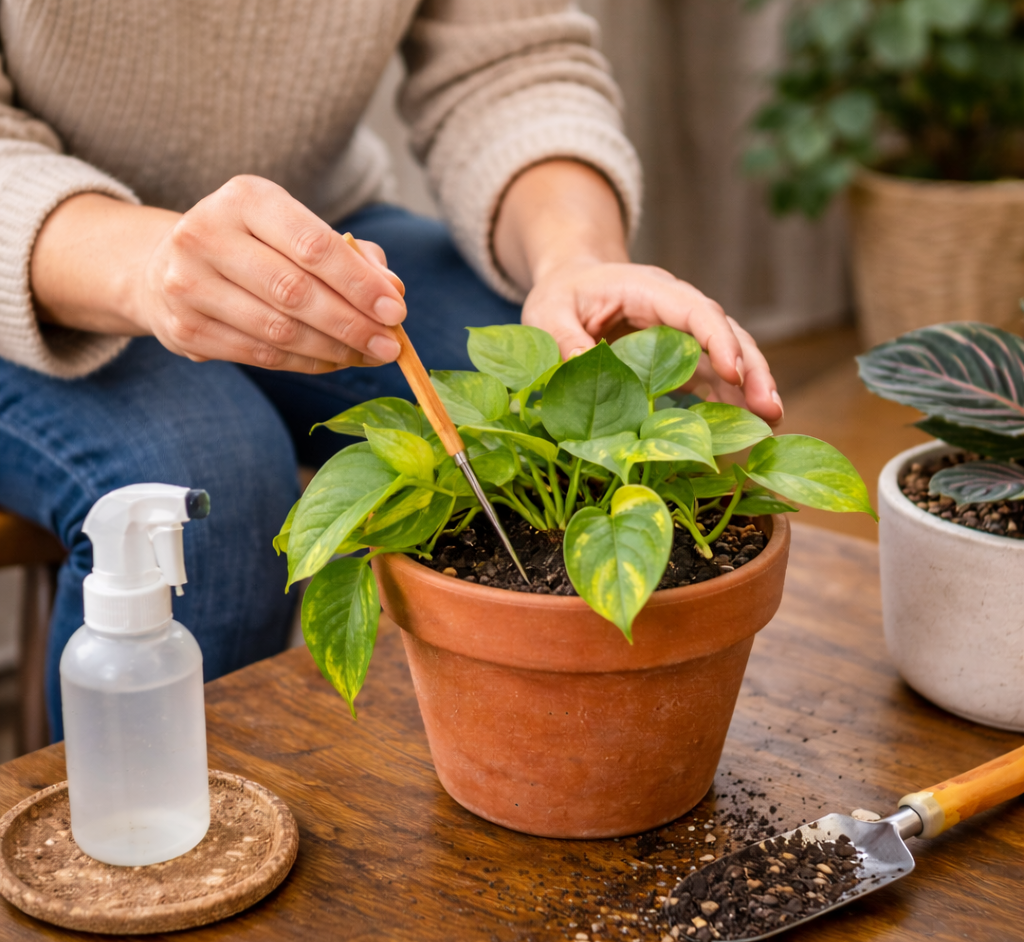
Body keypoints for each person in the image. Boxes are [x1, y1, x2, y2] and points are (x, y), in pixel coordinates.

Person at [0, 1, 783, 739]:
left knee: (562, 383)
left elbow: (510, 62)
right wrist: (142, 267)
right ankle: (150, 858)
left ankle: (568, 755)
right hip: (43, 258)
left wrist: (574, 259)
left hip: (325, 239)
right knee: (208, 486)